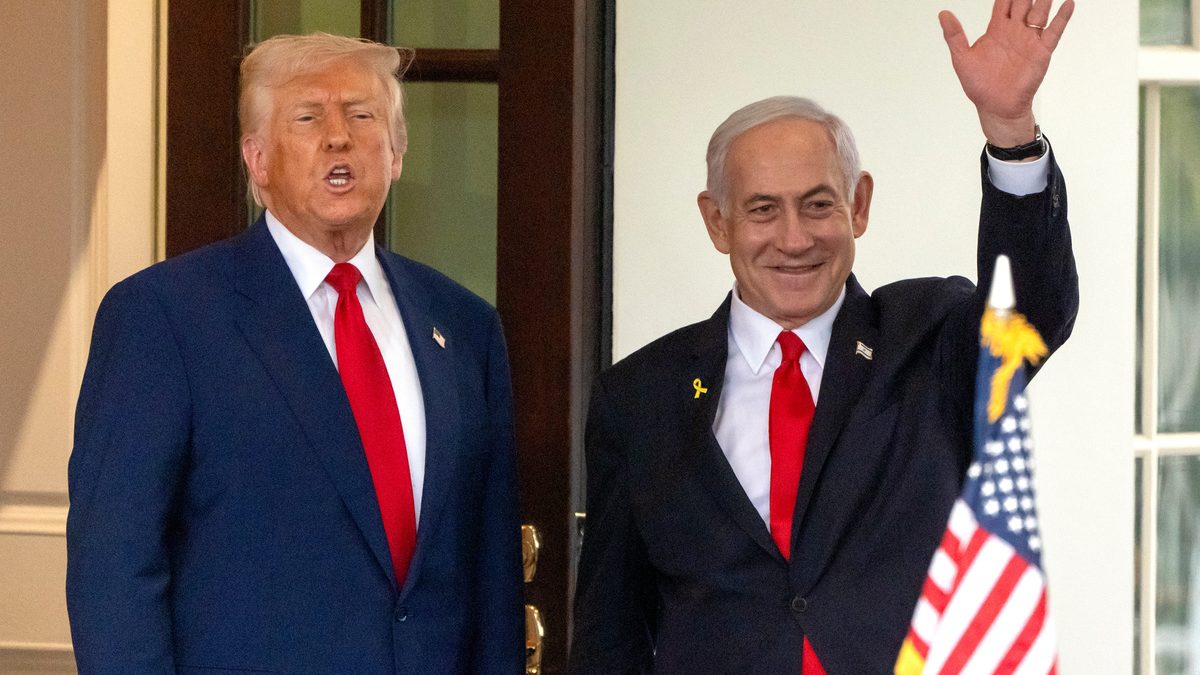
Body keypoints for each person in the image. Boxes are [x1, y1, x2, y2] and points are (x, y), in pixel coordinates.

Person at [570, 1, 1077, 672]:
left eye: (818, 204)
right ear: (717, 222)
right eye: (761, 210)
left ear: (858, 204)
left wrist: (1011, 131)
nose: (794, 238)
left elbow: (1032, 310)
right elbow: (610, 635)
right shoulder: (638, 398)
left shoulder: (929, 342)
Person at [66, 33, 523, 673]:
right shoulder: (163, 317)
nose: (339, 137)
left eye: (362, 116)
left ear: (396, 153)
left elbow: (491, 572)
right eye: (308, 118)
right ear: (257, 159)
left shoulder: (464, 326)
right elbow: (113, 570)